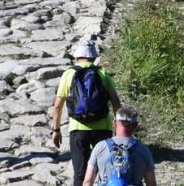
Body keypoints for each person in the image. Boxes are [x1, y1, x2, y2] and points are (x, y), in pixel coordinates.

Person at [52, 39, 122, 186]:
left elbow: (57, 106)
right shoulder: (102, 73)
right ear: (94, 57)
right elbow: (116, 101)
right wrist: (119, 127)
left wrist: (56, 130)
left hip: (78, 129)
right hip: (102, 128)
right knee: (105, 172)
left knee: (80, 174)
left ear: (77, 57)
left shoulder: (69, 74)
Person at [82, 106, 157, 186]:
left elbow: (88, 182)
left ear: (114, 123)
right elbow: (151, 183)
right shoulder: (143, 150)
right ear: (135, 125)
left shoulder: (101, 147)